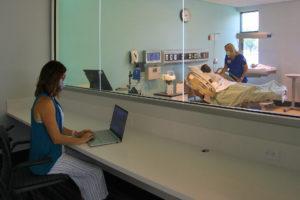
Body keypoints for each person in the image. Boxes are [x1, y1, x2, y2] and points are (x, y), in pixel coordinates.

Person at [29, 60, 108, 200]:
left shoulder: (48, 98)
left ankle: (89, 195)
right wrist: (81, 140)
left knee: (90, 163)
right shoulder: (45, 103)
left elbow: (57, 126)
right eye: (62, 78)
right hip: (47, 161)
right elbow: (56, 138)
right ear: (53, 79)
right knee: (95, 173)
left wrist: (76, 133)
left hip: (51, 152)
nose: (63, 82)